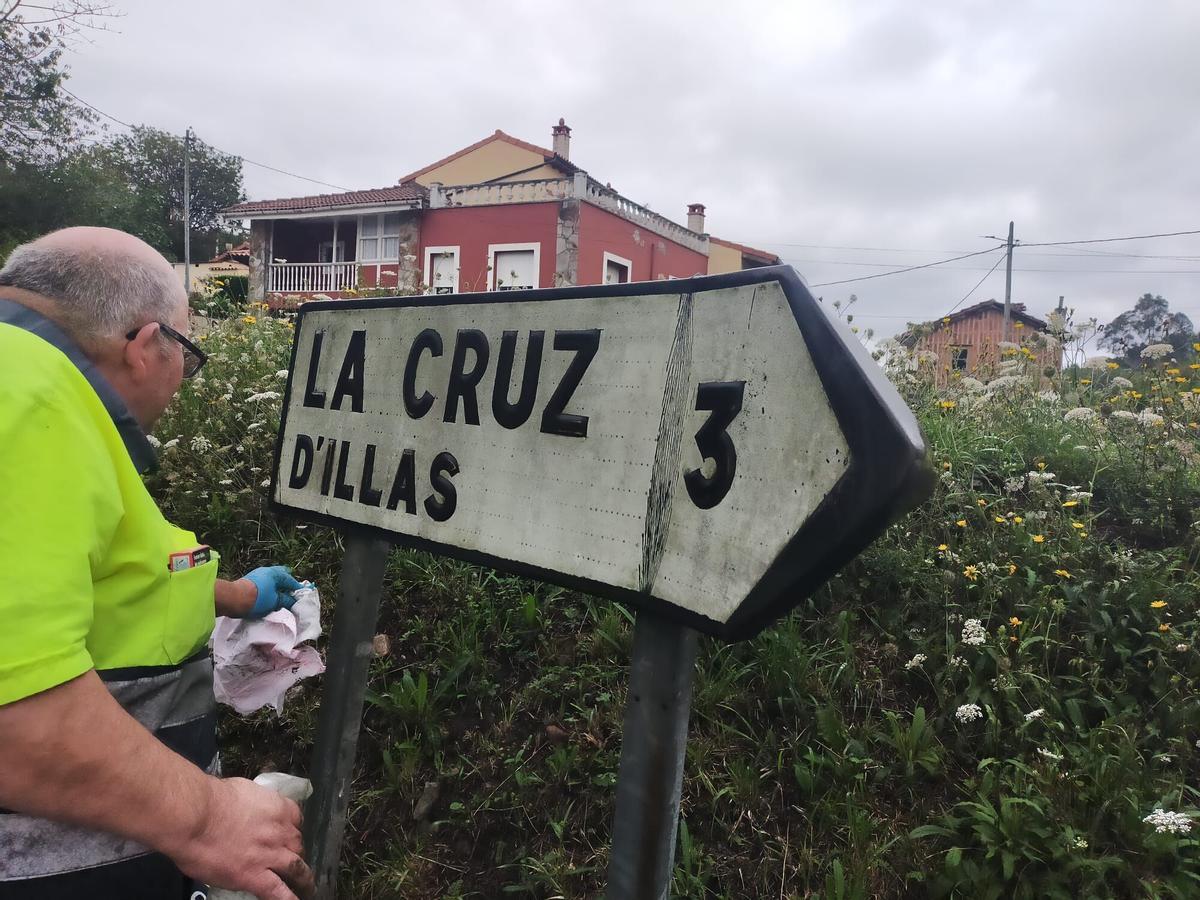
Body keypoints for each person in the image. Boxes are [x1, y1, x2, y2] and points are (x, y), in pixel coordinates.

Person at [0, 227, 315, 900]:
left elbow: (99, 582)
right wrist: (207, 819)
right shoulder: (25, 398)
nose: (184, 385)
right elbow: (15, 710)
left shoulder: (39, 393)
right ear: (148, 347)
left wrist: (239, 596)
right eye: (189, 357)